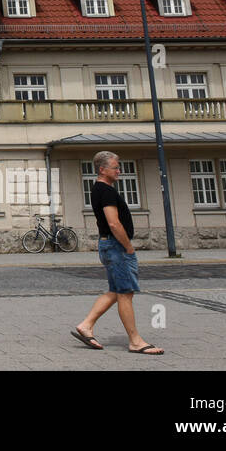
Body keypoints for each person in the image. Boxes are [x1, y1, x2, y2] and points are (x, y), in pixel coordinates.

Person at [72, 150, 164, 354]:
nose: (119, 171)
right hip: (116, 247)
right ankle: (135, 341)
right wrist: (128, 247)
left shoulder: (99, 189)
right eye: (115, 167)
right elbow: (113, 223)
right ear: (102, 169)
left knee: (115, 291)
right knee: (125, 293)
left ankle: (86, 325)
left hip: (109, 246)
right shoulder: (106, 192)